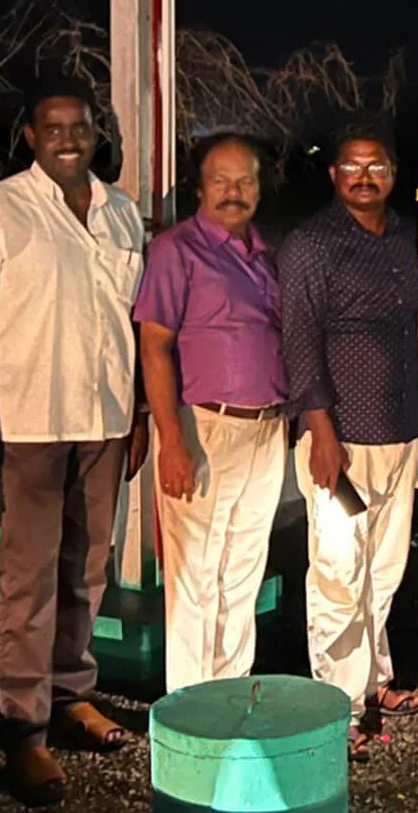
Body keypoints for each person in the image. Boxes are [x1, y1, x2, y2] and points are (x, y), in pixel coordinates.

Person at [0, 76, 148, 807]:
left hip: (105, 421)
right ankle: (23, 728)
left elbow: (131, 325)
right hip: (28, 423)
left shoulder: (121, 213)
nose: (67, 139)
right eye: (52, 128)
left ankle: (71, 695)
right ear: (30, 136)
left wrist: (138, 413)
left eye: (79, 127)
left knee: (87, 568)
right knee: (28, 579)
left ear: (96, 134)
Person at [278, 125, 418, 762]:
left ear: (394, 172)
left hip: (401, 429)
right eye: (352, 167)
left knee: (384, 569)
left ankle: (374, 681)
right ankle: (337, 707)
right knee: (339, 572)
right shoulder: (311, 245)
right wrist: (321, 432)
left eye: (377, 166)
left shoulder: (410, 237)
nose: (364, 177)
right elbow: (298, 340)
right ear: (333, 175)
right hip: (340, 438)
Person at [134, 133, 287, 694]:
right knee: (195, 576)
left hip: (266, 428)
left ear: (259, 189)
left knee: (243, 571)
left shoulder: (264, 253)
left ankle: (229, 696)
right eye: (220, 180)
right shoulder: (176, 251)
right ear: (199, 188)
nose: (233, 192)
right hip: (204, 427)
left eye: (245, 181)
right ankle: (190, 707)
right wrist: (171, 440)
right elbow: (154, 347)